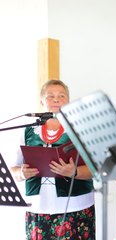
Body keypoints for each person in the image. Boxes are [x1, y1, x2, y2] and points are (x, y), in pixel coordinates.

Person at [9, 80, 95, 240]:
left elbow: (96, 169)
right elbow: (13, 169)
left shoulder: (82, 129)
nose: (56, 100)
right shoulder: (28, 131)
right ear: (41, 101)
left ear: (68, 101)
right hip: (37, 209)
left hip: (76, 208)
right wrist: (21, 173)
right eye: (50, 96)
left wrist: (74, 171)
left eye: (61, 96)